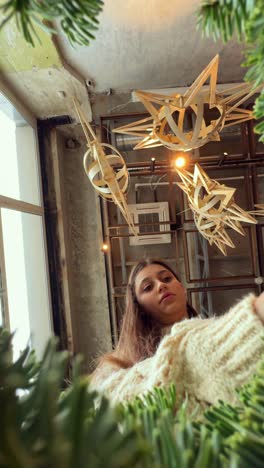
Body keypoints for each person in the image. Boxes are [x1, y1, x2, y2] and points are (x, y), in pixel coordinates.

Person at [90, 258, 264, 415]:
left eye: (166, 279)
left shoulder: (211, 331)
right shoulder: (116, 365)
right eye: (148, 287)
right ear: (138, 307)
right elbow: (101, 408)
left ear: (182, 288)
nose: (161, 286)